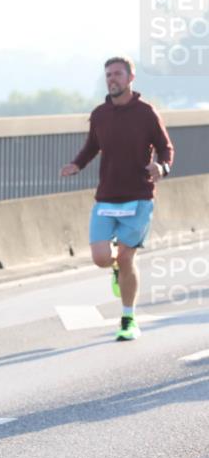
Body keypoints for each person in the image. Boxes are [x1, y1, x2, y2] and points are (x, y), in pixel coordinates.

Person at [60, 56, 173, 341]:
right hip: (107, 197)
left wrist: (162, 167)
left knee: (126, 257)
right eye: (108, 74)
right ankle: (115, 269)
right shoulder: (99, 114)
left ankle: (128, 319)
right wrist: (77, 164)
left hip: (139, 197)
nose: (112, 79)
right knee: (101, 258)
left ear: (130, 78)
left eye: (118, 74)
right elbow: (91, 146)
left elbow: (165, 147)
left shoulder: (146, 112)